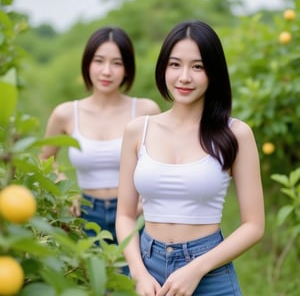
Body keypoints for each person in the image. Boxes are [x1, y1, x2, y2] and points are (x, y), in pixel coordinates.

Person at [116, 20, 265, 295]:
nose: (184, 77)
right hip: (148, 270)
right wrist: (138, 274)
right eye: (175, 65)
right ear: (163, 69)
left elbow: (254, 226)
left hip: (210, 272)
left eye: (197, 66)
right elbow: (125, 215)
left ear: (214, 72)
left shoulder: (236, 134)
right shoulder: (138, 130)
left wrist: (196, 269)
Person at [40, 26, 160, 248]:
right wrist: (64, 190)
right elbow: (45, 161)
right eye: (99, 61)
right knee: (86, 280)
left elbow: (165, 161)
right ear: (87, 64)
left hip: (137, 213)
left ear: (127, 69)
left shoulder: (145, 111)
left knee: (136, 280)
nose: (106, 71)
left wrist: (146, 199)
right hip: (84, 213)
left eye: (117, 63)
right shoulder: (65, 113)